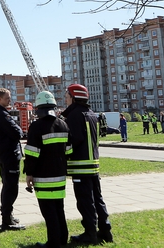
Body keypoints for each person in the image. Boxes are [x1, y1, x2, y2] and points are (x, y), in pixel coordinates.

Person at [62, 84, 113, 244]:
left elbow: (74, 141)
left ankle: (90, 234)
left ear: (74, 97)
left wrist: (62, 153)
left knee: (85, 201)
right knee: (98, 199)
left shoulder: (74, 115)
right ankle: (105, 231)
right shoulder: (90, 114)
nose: (65, 99)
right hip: (93, 166)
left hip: (80, 166)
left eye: (67, 96)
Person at [24, 91, 71, 248]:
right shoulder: (63, 124)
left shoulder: (36, 127)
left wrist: (29, 174)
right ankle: (63, 239)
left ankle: (53, 243)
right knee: (59, 209)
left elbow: (31, 154)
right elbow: (69, 151)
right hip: (60, 176)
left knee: (48, 212)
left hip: (43, 177)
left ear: (38, 108)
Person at [0, 87, 25, 231]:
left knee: (9, 186)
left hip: (7, 155)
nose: (9, 100)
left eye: (9, 97)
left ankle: (8, 215)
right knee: (10, 188)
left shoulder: (0, 113)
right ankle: (6, 220)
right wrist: (19, 130)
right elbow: (17, 132)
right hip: (9, 155)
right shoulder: (2, 114)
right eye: (7, 98)